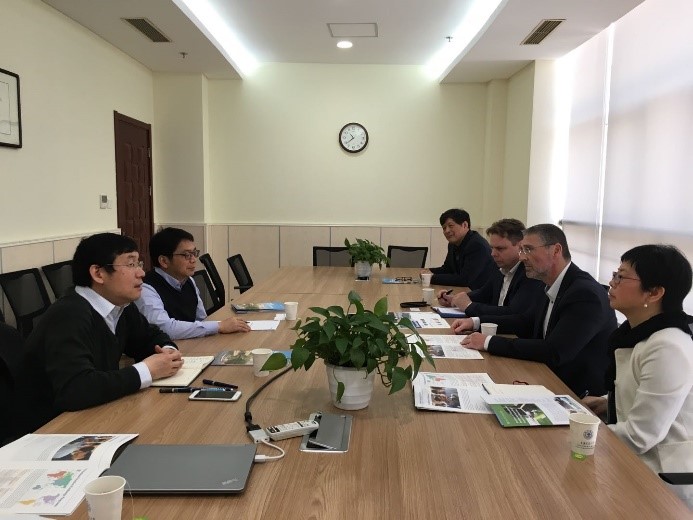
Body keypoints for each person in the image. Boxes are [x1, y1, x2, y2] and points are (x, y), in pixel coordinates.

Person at [13, 233, 183, 435]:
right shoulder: (69, 315)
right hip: (49, 430)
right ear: (98, 273)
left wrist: (168, 352)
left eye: (139, 263)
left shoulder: (121, 305)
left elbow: (149, 337)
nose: (141, 273)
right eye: (130, 265)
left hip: (94, 415)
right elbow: (76, 389)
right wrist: (147, 371)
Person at [582, 245, 692, 508]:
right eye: (615, 274)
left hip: (660, 478)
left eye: (621, 277)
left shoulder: (668, 346)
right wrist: (606, 402)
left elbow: (640, 436)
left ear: (654, 293)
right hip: (632, 460)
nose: (612, 282)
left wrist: (580, 433)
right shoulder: (638, 334)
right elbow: (641, 391)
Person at [456, 224, 617, 397]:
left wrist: (488, 342)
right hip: (545, 376)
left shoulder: (584, 294)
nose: (522, 257)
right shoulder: (550, 283)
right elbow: (525, 321)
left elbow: (554, 351)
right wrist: (476, 322)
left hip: (574, 393)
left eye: (528, 249)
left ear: (556, 250)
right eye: (521, 250)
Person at [135, 227, 250, 339]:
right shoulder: (145, 288)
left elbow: (201, 319)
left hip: (192, 343)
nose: (194, 259)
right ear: (164, 261)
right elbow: (165, 328)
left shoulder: (188, 280)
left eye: (194, 253)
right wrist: (219, 326)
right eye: (187, 255)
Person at [437, 219, 544, 336]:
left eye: (500, 249)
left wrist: (469, 306)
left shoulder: (530, 273)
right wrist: (454, 299)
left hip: (514, 336)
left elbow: (513, 312)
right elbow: (484, 293)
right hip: (498, 332)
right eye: (492, 248)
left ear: (520, 247)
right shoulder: (500, 266)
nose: (493, 254)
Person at [423, 208, 495, 289]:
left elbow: (465, 280)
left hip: (479, 293)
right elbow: (447, 269)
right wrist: (428, 271)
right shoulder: (452, 244)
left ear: (465, 225)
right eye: (444, 228)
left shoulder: (477, 245)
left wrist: (431, 277)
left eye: (450, 226)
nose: (447, 231)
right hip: (463, 291)